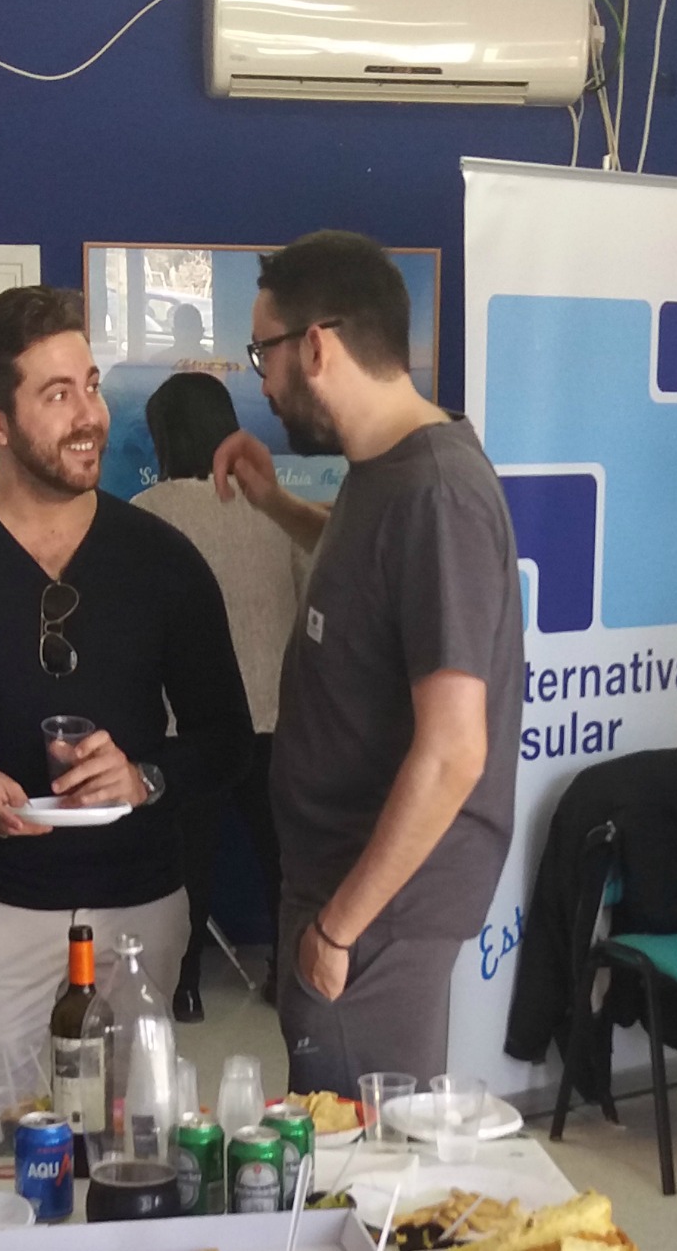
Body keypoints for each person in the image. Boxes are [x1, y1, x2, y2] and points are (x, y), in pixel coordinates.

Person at [0, 287, 252, 1102]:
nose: (91, 414)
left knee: (135, 1152)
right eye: (58, 394)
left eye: (91, 385)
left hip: (142, 915)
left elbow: (227, 737)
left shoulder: (163, 559)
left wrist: (146, 777)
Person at [211, 230, 522, 1093]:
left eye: (263, 353)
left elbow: (455, 749)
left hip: (377, 905)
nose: (261, 381)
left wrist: (339, 928)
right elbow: (372, 574)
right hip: (339, 878)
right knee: (335, 1132)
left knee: (361, 1153)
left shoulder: (436, 493)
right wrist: (274, 502)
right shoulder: (384, 470)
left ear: (316, 346)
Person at [132, 372, 304, 1021]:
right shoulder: (274, 510)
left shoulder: (144, 513)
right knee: (281, 858)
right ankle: (289, 976)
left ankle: (184, 987)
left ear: (164, 437)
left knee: (188, 863)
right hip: (275, 711)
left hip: (189, 722)